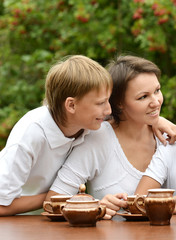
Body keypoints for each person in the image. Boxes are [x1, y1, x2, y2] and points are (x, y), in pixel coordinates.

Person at [46, 55, 176, 219]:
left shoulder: (168, 136)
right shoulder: (99, 138)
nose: (156, 102)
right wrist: (96, 207)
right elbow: (53, 202)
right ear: (118, 103)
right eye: (143, 97)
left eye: (157, 91)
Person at [0, 55, 113, 216]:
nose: (108, 110)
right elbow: (1, 205)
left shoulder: (89, 122)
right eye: (101, 103)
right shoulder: (31, 135)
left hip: (54, 221)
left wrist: (159, 123)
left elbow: (130, 116)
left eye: (108, 101)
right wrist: (57, 198)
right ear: (71, 105)